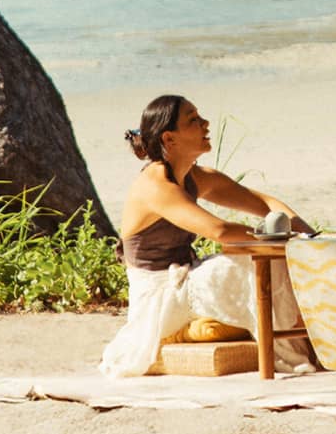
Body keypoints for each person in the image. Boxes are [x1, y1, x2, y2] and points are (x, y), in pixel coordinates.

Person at [99, 94, 314, 377]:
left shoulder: (195, 177)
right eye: (193, 120)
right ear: (169, 139)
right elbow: (219, 231)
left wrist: (310, 238)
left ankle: (311, 342)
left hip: (185, 281)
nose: (206, 123)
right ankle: (294, 356)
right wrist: (283, 238)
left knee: (270, 260)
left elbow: (265, 203)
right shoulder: (155, 185)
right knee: (250, 263)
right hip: (160, 299)